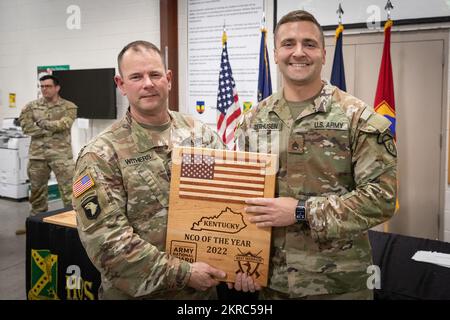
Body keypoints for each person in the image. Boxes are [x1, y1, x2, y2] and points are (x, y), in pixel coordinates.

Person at [232, 10, 397, 299]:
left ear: (323, 52)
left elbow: (381, 199)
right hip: (273, 283)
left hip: (337, 284)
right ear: (275, 53)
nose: (298, 52)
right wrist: (240, 261)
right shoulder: (252, 120)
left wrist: (300, 211)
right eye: (288, 44)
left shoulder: (356, 117)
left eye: (308, 44)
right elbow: (241, 198)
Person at [72, 40, 226, 299]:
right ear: (121, 85)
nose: (148, 83)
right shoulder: (101, 154)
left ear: (168, 79)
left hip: (201, 296)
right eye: (136, 76)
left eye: (155, 74)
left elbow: (229, 200)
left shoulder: (201, 136)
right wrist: (184, 273)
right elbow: (108, 245)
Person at [18, 74, 77, 219]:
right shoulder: (31, 107)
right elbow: (26, 128)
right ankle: (37, 225)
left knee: (70, 193)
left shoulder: (69, 106)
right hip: (38, 156)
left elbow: (65, 124)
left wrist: (42, 123)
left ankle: (72, 225)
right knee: (37, 194)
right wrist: (51, 128)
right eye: (42, 86)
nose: (45, 89)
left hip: (61, 156)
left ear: (57, 88)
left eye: (48, 86)